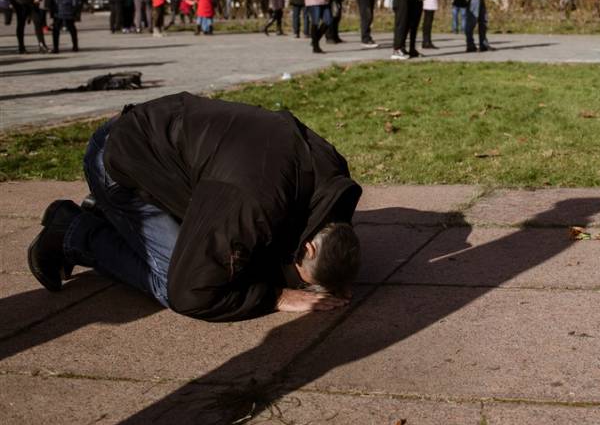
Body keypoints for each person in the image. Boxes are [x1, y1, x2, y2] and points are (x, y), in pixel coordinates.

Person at [26, 92, 363, 321]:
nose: (302, 285)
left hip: (163, 143)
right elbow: (192, 292)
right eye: (304, 278)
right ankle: (73, 231)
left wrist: (333, 274)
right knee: (174, 279)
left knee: (241, 253)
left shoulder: (333, 182)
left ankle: (112, 216)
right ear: (306, 246)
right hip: (116, 161)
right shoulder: (249, 200)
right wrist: (275, 296)